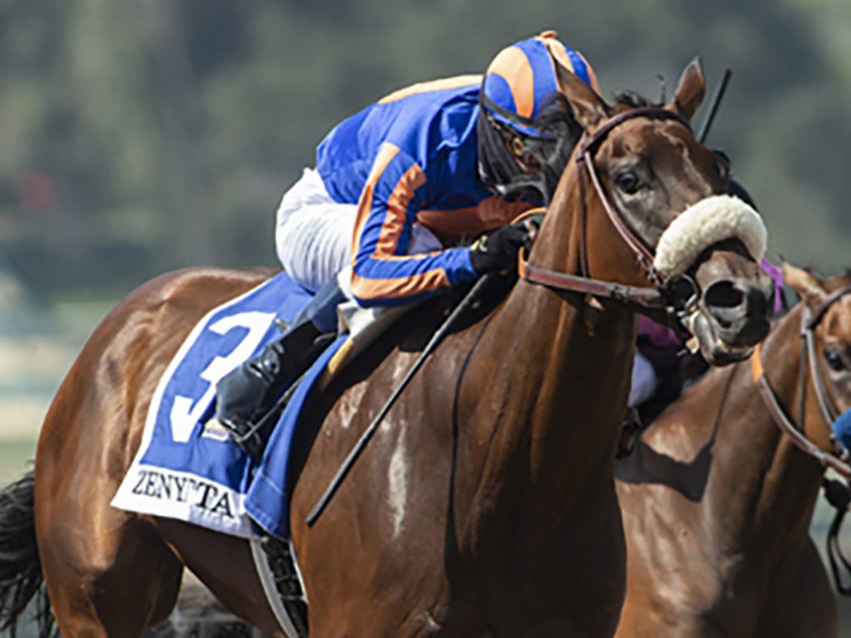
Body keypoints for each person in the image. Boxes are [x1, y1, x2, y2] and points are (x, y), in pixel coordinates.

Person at [213, 32, 600, 455]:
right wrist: (473, 258)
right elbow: (371, 274)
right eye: (530, 154)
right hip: (324, 213)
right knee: (420, 246)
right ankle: (264, 375)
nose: (543, 170)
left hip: (436, 223)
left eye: (562, 152)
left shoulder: (535, 138)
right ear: (496, 129)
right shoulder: (426, 137)